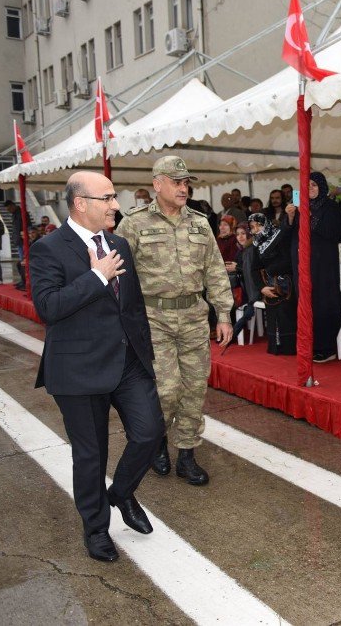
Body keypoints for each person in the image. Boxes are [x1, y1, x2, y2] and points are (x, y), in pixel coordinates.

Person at [29, 171, 164, 562]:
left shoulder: (118, 242)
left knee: (150, 432)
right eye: (106, 198)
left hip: (127, 363)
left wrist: (145, 353)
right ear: (80, 203)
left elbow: (132, 305)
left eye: (114, 197)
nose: (115, 205)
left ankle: (120, 493)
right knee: (91, 456)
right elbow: (48, 307)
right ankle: (96, 528)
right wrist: (96, 276)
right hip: (78, 370)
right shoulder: (48, 249)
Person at [116, 156, 233, 487]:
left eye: (186, 182)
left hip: (194, 318)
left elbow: (214, 268)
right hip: (155, 320)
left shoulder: (199, 222)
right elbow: (119, 274)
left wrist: (222, 314)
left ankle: (187, 455)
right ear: (158, 184)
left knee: (194, 389)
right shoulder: (134, 223)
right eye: (177, 182)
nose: (184, 187)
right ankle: (156, 446)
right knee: (166, 391)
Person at [288, 171, 341, 363]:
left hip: (323, 265)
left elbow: (333, 233)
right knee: (305, 303)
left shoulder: (331, 207)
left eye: (314, 185)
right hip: (302, 263)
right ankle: (308, 345)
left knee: (323, 303)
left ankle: (326, 347)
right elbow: (290, 233)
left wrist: (308, 214)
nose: (310, 189)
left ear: (322, 187)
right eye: (307, 185)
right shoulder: (299, 207)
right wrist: (291, 217)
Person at [249, 212, 297, 355]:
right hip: (270, 285)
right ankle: (275, 347)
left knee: (286, 314)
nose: (256, 229)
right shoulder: (257, 244)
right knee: (272, 314)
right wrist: (262, 288)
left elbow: (290, 260)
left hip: (288, 284)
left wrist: (273, 270)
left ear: (266, 224)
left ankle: (290, 348)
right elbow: (254, 269)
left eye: (259, 225)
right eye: (252, 227)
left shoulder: (280, 237)